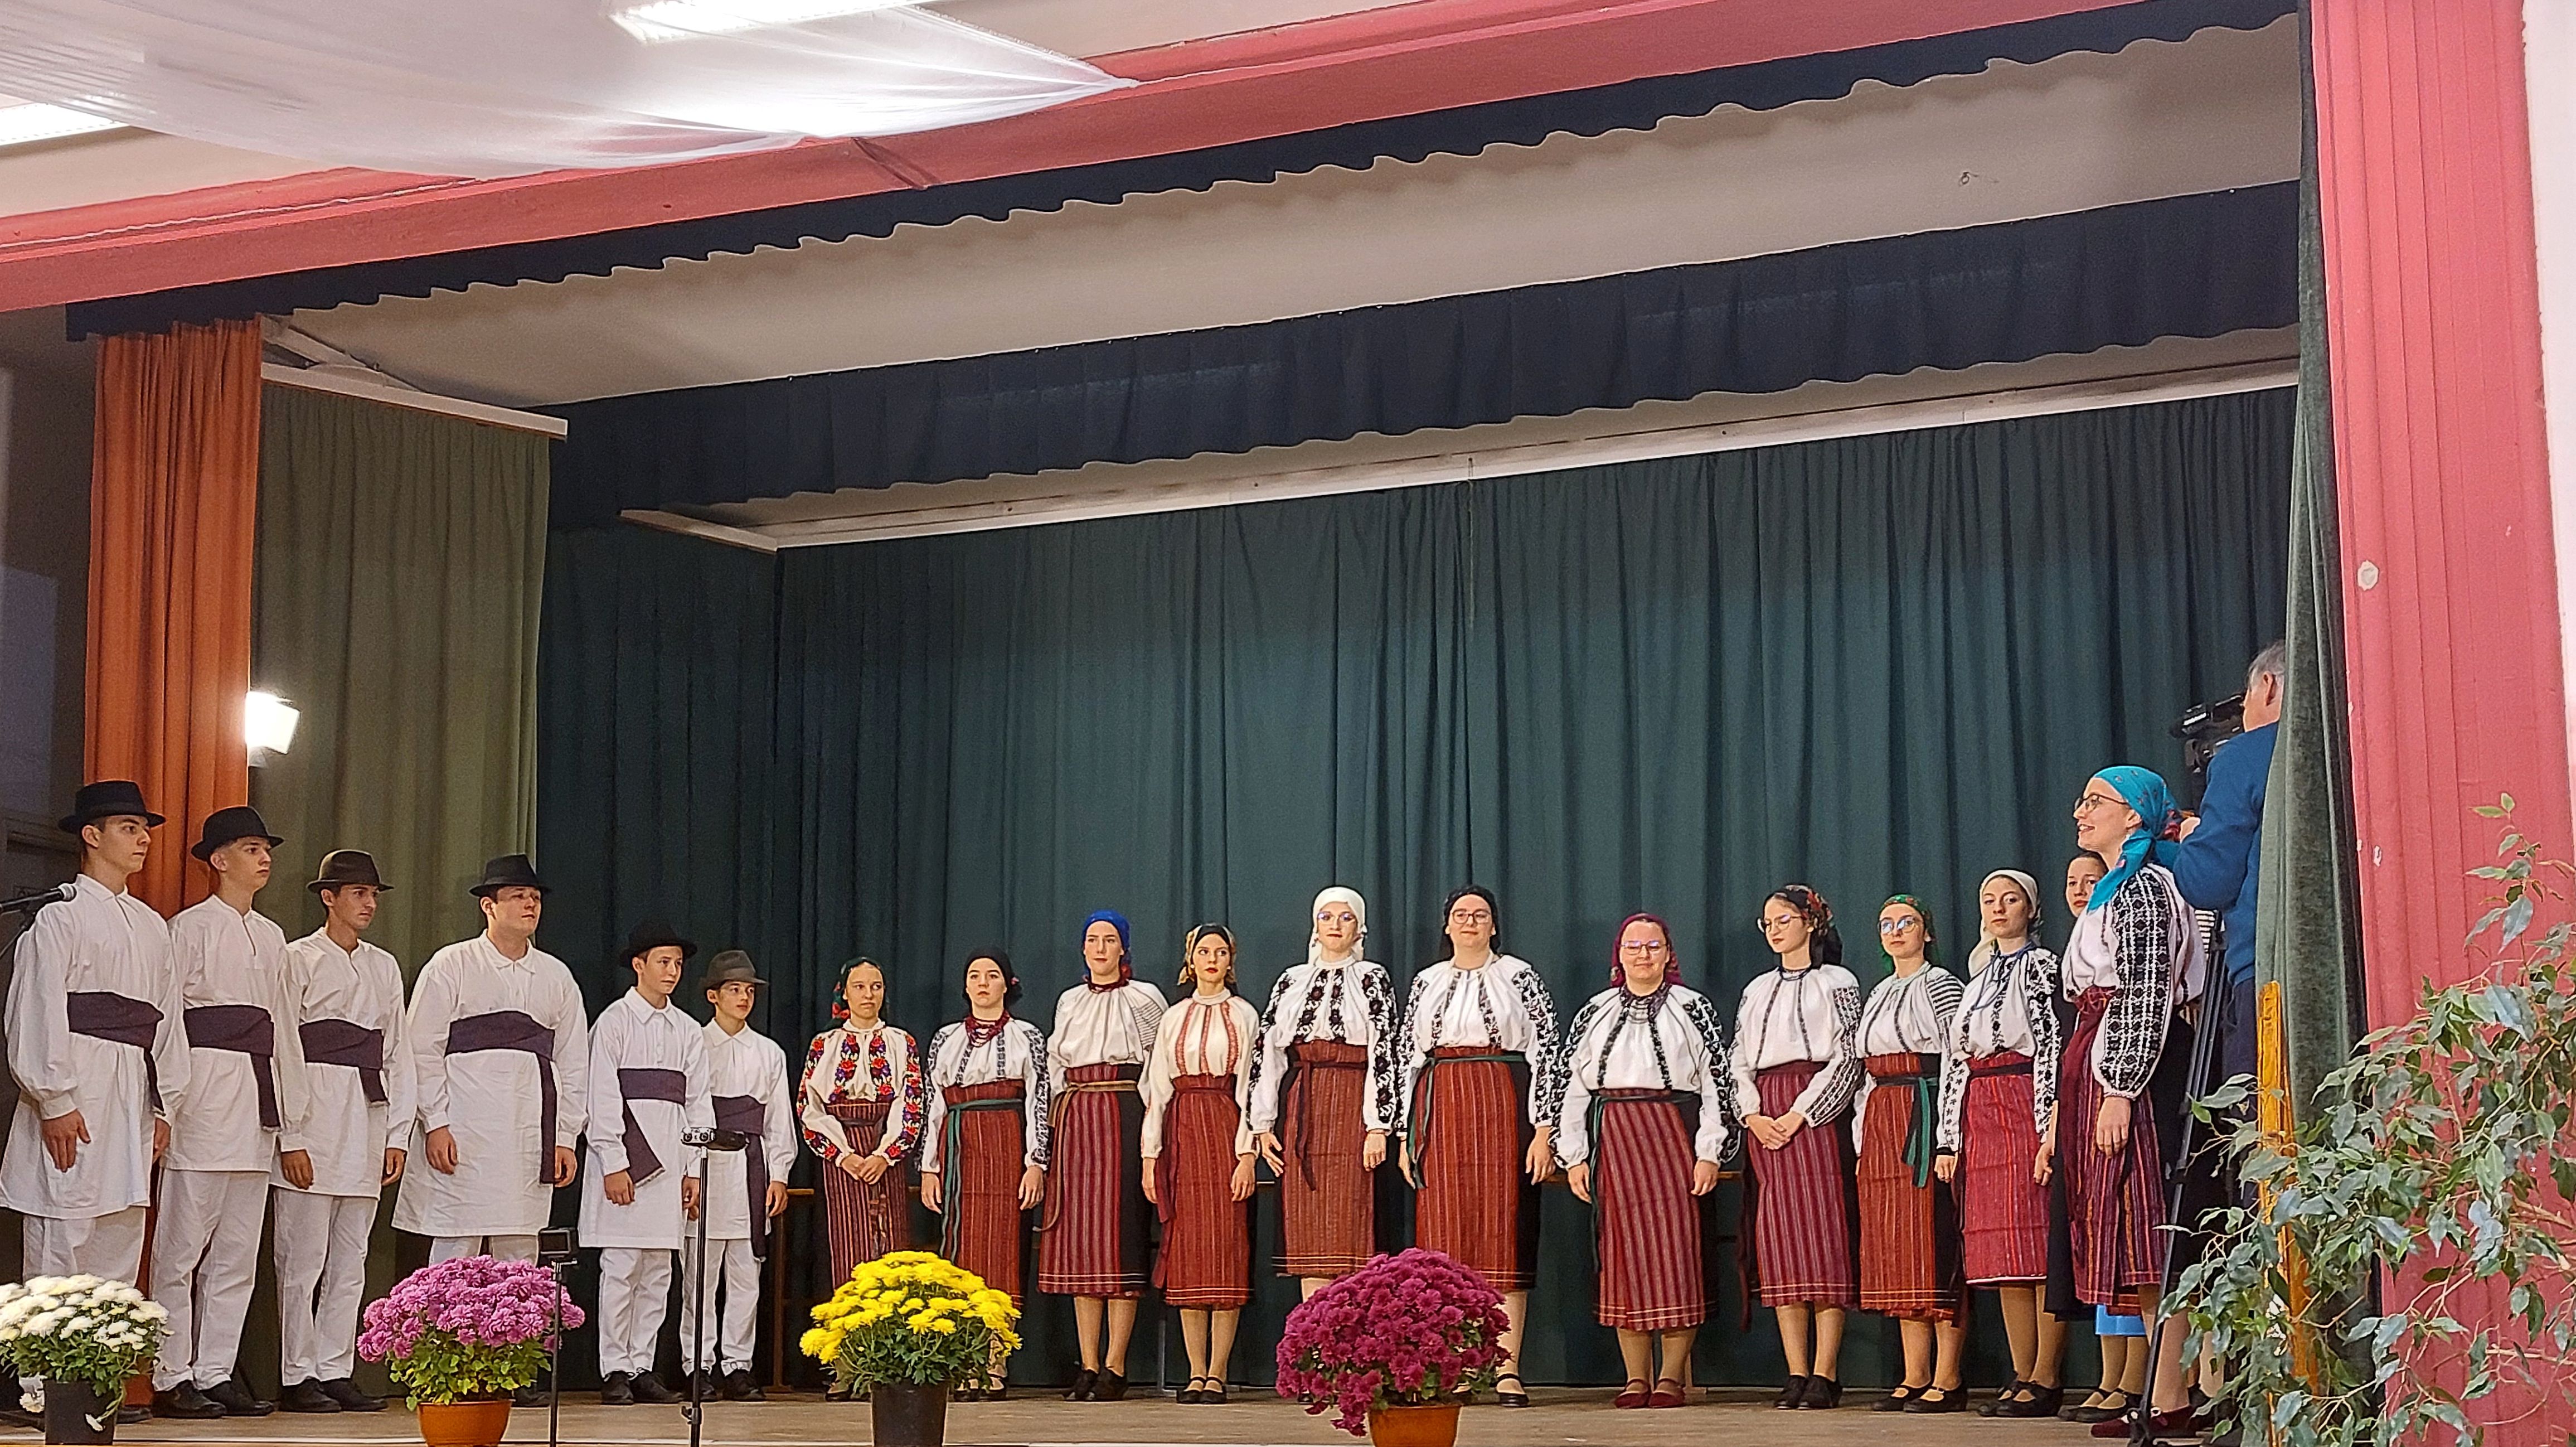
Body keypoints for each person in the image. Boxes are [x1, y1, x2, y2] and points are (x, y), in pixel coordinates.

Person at [1, 782, 188, 1426]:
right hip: (78, 1088)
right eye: (129, 828)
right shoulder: (60, 916)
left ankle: (96, 1381)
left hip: (131, 1093)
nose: (142, 840)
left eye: (144, 830)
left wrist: (165, 1107)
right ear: (92, 835)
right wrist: (54, 1099)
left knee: (117, 1237)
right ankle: (46, 1386)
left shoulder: (152, 926)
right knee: (64, 1236)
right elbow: (36, 1007)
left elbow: (168, 1023)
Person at [152, 806, 311, 1420]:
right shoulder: (187, 929)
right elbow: (168, 1021)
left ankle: (215, 1370)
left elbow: (285, 1031)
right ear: (218, 860)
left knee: (237, 1254)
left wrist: (290, 1118)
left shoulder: (272, 937)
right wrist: (168, 1104)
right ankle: (171, 1373)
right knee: (181, 1249)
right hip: (203, 1100)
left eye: (266, 849)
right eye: (250, 848)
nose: (264, 858)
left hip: (255, 1108)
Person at [2062, 768, 2206, 1438]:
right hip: (2102, 1052)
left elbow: (2146, 992)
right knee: (2133, 1237)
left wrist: (2120, 1087)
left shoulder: (2145, 887)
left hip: (2136, 1066)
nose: (2080, 811)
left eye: (2096, 801)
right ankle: (2164, 1392)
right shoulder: (2113, 888)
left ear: (2134, 816)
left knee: (2150, 1229)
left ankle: (2171, 1393)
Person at [1557, 913, 1730, 1410]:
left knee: (1676, 1254)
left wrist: (1708, 1152)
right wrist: (1574, 1155)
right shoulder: (1595, 1011)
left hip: (1672, 1132)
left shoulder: (1692, 1008)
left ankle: (1670, 1375)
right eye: (1633, 946)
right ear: (1619, 954)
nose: (1643, 955)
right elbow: (1573, 1087)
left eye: (1653, 946)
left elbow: (1715, 1084)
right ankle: (1636, 1376)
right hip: (1615, 1136)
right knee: (1623, 1258)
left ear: (1668, 953)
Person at [394, 855, 590, 1288]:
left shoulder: (555, 976)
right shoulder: (452, 964)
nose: (530, 904)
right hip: (465, 1130)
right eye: (518, 896)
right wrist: (436, 1122)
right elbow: (421, 1048)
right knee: (455, 1245)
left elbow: (574, 1063)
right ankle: (444, 1331)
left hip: (526, 1135)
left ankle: (515, 1332)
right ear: (489, 905)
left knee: (520, 1253)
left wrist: (565, 1136)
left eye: (535, 897)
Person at [1398, 885, 1558, 1407]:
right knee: (1445, 1237)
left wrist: (1543, 1129)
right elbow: (1407, 1059)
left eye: (1480, 914)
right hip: (1441, 1106)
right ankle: (1455, 1367)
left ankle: (1506, 1368)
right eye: (1461, 914)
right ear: (1447, 925)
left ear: (1494, 924)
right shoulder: (1426, 981)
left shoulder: (1519, 975)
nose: (1469, 922)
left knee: (1503, 1233)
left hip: (1501, 1101)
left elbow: (1548, 1051)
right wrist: (1404, 1135)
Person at [274, 850, 413, 1414]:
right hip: (313, 1120)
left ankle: (335, 1367)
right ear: (328, 898)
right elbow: (283, 1049)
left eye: (373, 894)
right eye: (358, 892)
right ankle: (296, 1372)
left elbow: (399, 1053)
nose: (369, 903)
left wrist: (397, 1135)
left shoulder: (384, 967)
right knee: (301, 1258)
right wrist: (291, 1136)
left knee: (350, 1259)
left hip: (365, 1122)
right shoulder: (297, 959)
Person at [1932, 870, 2066, 1419]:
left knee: (2036, 1244)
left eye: (2010, 899)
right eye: (1989, 899)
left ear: (2030, 909)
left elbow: (2052, 1044)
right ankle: (2021, 1370)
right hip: (1983, 1109)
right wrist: (1949, 1136)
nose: (1998, 908)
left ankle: (2047, 1374)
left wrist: (2048, 1122)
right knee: (2005, 1255)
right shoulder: (1977, 977)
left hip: (2023, 1098)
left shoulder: (2043, 966)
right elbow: (1956, 1058)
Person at [1734, 883, 1863, 1410]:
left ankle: (1825, 1371)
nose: (1774, 929)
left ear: (1810, 923)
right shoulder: (1756, 989)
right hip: (1766, 1114)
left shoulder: (1837, 982)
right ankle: (1794, 1369)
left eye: (1783, 919)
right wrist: (1751, 1114)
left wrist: (1800, 1113)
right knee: (1780, 1242)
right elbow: (1738, 1057)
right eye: (1767, 922)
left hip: (1813, 1115)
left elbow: (1848, 1054)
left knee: (1823, 1238)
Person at [582, 921, 714, 1405]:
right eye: (663, 961)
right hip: (628, 1163)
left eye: (677, 963)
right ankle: (614, 1366)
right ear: (638, 965)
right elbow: (601, 1096)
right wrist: (614, 1161)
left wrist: (694, 1167)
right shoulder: (614, 1022)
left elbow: (698, 1103)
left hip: (671, 1163)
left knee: (659, 1269)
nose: (672, 971)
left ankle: (642, 1363)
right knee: (622, 1267)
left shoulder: (687, 1029)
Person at [1246, 887, 1398, 1296]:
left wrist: (1378, 1126)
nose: (1335, 925)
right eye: (1327, 917)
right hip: (1304, 1104)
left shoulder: (1372, 978)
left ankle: (1355, 1332)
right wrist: (1262, 1124)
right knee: (1308, 1231)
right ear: (1315, 925)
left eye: (1346, 918)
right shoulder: (1291, 980)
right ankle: (1314, 1332)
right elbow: (1268, 1051)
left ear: (1359, 928)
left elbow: (1384, 1049)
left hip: (1352, 1101)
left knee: (1352, 1224)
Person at [1041, 912, 1166, 1400]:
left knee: (1119, 1238)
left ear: (1123, 949)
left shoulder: (1144, 998)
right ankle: (1088, 1363)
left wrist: (1150, 1129)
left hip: (1121, 1111)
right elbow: (1055, 1063)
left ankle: (1116, 1363)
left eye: (1109, 940)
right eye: (1092, 939)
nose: (1099, 948)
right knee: (1082, 1244)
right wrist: (1057, 1120)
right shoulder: (1069, 1000)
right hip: (1077, 1117)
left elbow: (1157, 1065)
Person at [1853, 896, 1967, 1413]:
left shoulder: (1940, 984)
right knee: (1895, 1248)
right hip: (1884, 1116)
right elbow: (1866, 1073)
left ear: (1927, 932)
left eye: (1907, 923)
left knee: (1932, 1240)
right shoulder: (1878, 991)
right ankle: (1913, 1372)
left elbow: (1956, 1059)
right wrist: (1862, 1140)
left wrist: (1947, 1136)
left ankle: (1948, 1374)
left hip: (1923, 1109)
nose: (1895, 931)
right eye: (1886, 924)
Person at [920, 951, 1050, 1401]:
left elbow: (1038, 1101)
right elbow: (934, 1106)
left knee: (1002, 1253)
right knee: (962, 1256)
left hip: (1005, 1145)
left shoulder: (1026, 1036)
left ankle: (995, 1362)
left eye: (991, 975)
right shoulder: (946, 1038)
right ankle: (964, 1361)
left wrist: (1036, 1162)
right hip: (960, 1149)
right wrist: (929, 1167)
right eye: (974, 975)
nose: (982, 982)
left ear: (1006, 984)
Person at [1139, 924, 1258, 1405]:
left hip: (1225, 1127)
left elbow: (1252, 1088)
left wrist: (1246, 1153)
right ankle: (1194, 1371)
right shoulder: (1174, 1017)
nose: (1212, 959)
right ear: (1191, 960)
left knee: (1225, 1249)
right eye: (1204, 951)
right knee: (1189, 1252)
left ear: (1231, 960)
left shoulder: (1244, 1014)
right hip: (1183, 1134)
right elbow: (1157, 1091)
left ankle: (1218, 1372)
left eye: (1220, 951)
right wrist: (1150, 1157)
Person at [681, 950, 794, 1402]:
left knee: (746, 1275)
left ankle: (738, 1364)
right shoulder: (694, 1043)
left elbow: (778, 1120)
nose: (743, 997)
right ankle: (698, 1363)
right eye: (734, 989)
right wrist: (687, 1170)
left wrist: (779, 1173)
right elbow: (685, 1113)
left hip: (750, 1167)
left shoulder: (768, 1052)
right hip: (707, 1165)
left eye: (748, 990)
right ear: (713, 996)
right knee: (701, 1276)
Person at [2173, 641, 2281, 1091]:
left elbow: (2208, 881)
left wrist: (2192, 839)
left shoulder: (2246, 754)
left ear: (2268, 686)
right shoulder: (2349, 739)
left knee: (2263, 1113)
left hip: (2266, 972)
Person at [801, 957, 925, 1286]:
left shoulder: (902, 1042)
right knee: (848, 1244)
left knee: (891, 1246)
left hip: (887, 1150)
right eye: (859, 987)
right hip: (842, 1158)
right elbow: (809, 1107)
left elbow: (910, 1102)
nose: (868, 995)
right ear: (845, 993)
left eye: (876, 987)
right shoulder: (824, 1044)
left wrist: (885, 1155)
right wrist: (843, 1155)